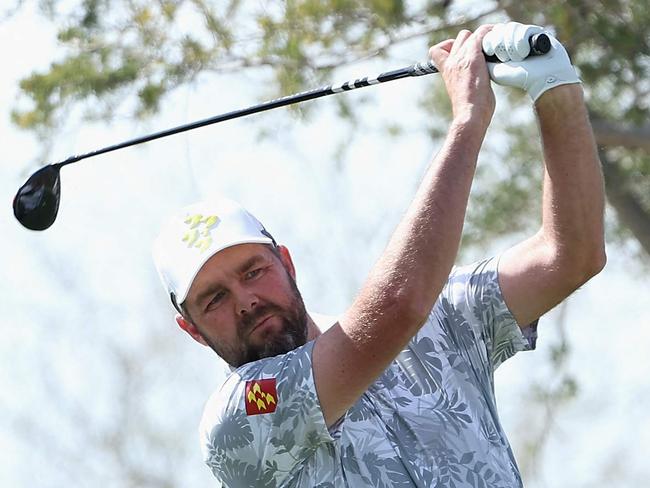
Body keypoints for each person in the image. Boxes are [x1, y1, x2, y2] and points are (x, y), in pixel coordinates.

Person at [152, 22, 606, 488]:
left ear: (286, 263)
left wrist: (555, 85)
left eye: (253, 271)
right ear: (193, 331)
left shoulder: (439, 315)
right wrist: (468, 122)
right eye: (214, 299)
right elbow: (396, 307)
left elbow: (570, 254)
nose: (245, 300)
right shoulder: (239, 418)